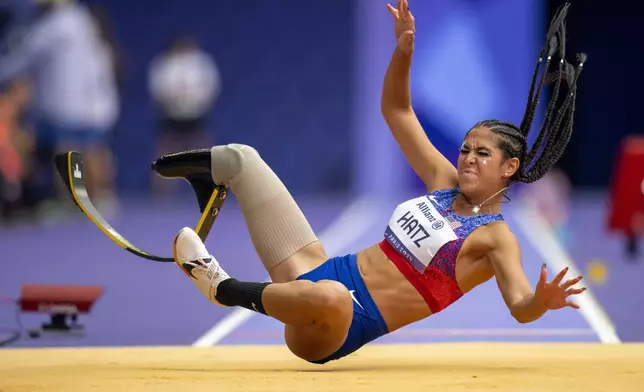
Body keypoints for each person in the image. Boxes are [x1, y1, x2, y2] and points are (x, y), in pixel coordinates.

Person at [169, 0, 587, 364]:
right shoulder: (443, 181)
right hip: (316, 271)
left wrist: (541, 302)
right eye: (465, 149)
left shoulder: (496, 238)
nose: (468, 159)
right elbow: (397, 110)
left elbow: (519, 305)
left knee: (331, 296)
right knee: (239, 158)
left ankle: (221, 287)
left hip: (334, 325)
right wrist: (404, 49)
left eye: (482, 153)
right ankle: (201, 185)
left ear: (509, 167)